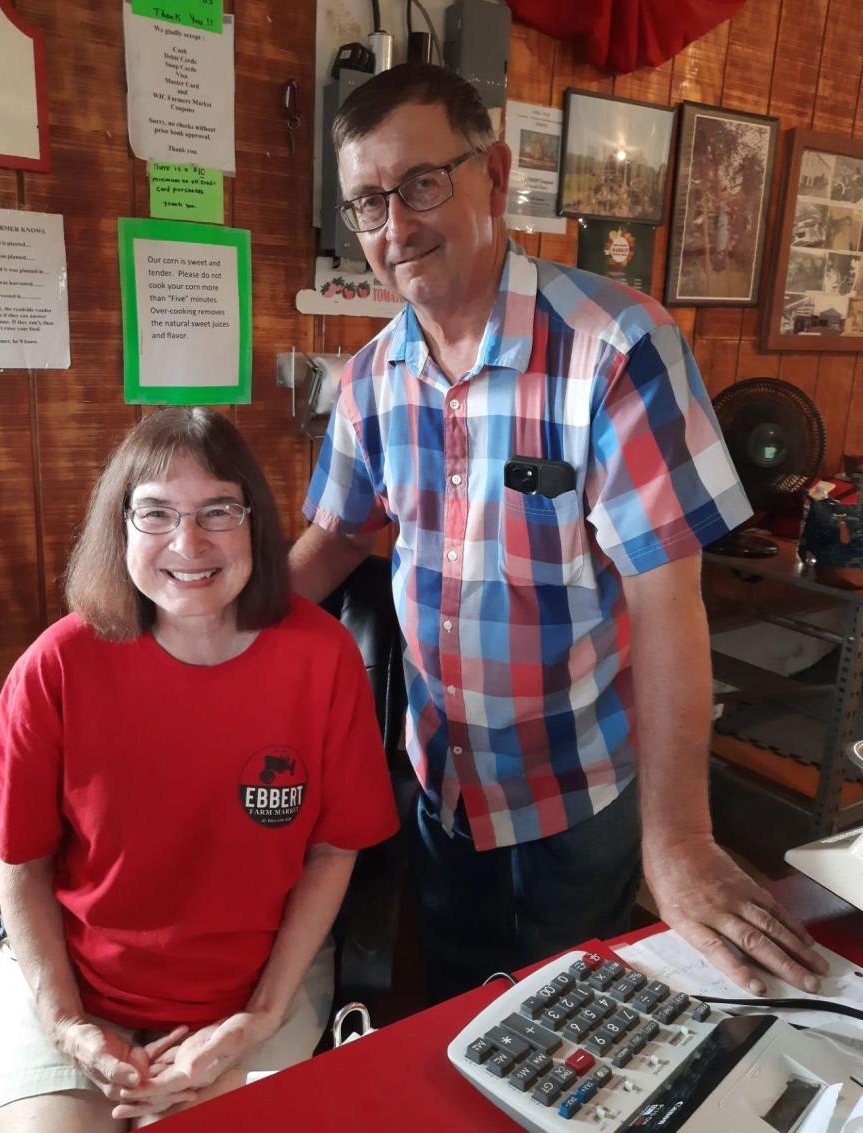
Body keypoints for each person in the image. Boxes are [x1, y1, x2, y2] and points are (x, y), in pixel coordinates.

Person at [290, 63, 828, 1004]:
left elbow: (669, 599)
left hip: (577, 789)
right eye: (367, 204)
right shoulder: (370, 378)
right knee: (458, 1003)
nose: (395, 227)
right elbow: (334, 540)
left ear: (495, 176)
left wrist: (682, 838)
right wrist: (187, 638)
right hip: (438, 781)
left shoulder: (617, 346)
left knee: (567, 1016)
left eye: (421, 184)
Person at [0, 407, 399, 1130]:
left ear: (253, 522)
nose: (188, 542)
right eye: (155, 513)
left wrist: (254, 1022)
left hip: (254, 992)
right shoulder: (57, 664)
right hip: (72, 989)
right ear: (120, 528)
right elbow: (23, 860)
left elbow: (333, 847)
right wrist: (68, 1024)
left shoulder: (321, 658)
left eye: (216, 510)